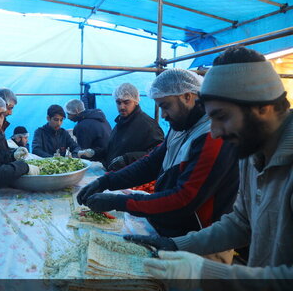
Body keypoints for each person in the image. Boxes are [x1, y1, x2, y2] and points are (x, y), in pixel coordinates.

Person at [124, 47, 293, 290]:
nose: (214, 131)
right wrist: (176, 244)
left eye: (222, 116)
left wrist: (207, 272)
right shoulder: (251, 152)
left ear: (262, 107)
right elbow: (241, 223)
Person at [77, 69, 239, 239]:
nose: (163, 115)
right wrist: (105, 181)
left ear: (187, 96)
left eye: (165, 106)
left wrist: (118, 202)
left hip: (199, 238)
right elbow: (151, 163)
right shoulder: (181, 126)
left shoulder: (212, 135)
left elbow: (184, 199)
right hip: (172, 228)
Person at [91, 82, 164, 171]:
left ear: (136, 101)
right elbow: (112, 150)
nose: (121, 107)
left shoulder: (148, 125)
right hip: (114, 175)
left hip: (133, 179)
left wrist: (127, 159)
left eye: (126, 102)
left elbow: (159, 153)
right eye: (118, 102)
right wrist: (94, 153)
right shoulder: (121, 122)